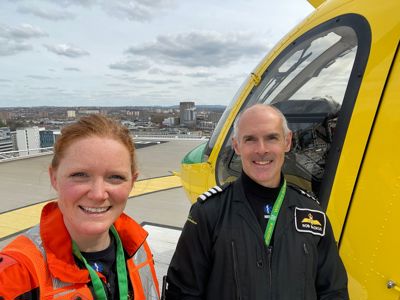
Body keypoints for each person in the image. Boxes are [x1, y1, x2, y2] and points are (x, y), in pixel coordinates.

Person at [164, 104, 349, 299]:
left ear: (287, 142)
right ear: (237, 146)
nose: (261, 150)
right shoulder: (208, 213)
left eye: (271, 138)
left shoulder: (312, 214)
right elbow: (182, 293)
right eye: (250, 139)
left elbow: (333, 292)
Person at [0, 115, 160, 299]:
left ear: (132, 182)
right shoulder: (16, 275)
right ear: (54, 178)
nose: (98, 194)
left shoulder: (137, 246)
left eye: (115, 177)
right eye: (80, 175)